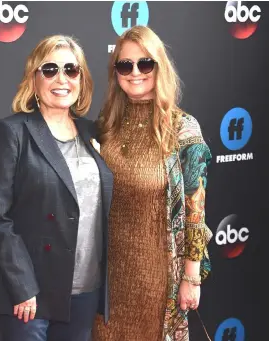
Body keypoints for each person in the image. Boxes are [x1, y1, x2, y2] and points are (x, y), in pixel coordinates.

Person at [0, 35, 113, 341]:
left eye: (71, 69)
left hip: (85, 291)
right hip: (31, 296)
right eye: (50, 69)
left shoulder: (93, 132)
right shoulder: (10, 133)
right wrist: (22, 286)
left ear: (82, 78)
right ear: (34, 78)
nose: (61, 78)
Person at [92, 25, 213, 341]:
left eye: (144, 63)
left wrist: (192, 277)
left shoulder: (183, 130)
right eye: (125, 65)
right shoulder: (107, 125)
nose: (135, 72)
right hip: (107, 281)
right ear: (116, 72)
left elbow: (195, 214)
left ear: (159, 66)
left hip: (158, 280)